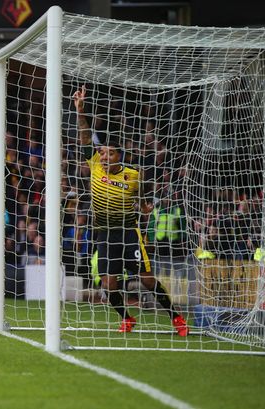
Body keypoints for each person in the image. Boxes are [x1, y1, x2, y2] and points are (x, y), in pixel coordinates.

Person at [73, 85, 189, 336]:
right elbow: (84, 137)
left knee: (147, 280)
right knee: (108, 285)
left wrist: (146, 214)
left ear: (119, 157)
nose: (104, 156)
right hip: (104, 234)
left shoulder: (134, 176)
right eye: (102, 152)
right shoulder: (95, 166)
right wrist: (80, 111)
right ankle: (127, 318)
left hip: (128, 234)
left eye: (110, 153)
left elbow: (144, 200)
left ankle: (176, 318)